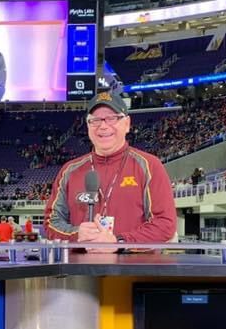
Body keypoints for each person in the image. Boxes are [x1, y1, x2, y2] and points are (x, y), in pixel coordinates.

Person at [44, 92, 177, 250]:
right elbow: (51, 223)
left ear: (127, 124)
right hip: (80, 269)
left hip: (135, 269)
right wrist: (77, 234)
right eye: (95, 120)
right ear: (88, 126)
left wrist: (118, 242)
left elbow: (165, 224)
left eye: (112, 118)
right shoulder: (69, 171)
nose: (103, 126)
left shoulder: (149, 165)